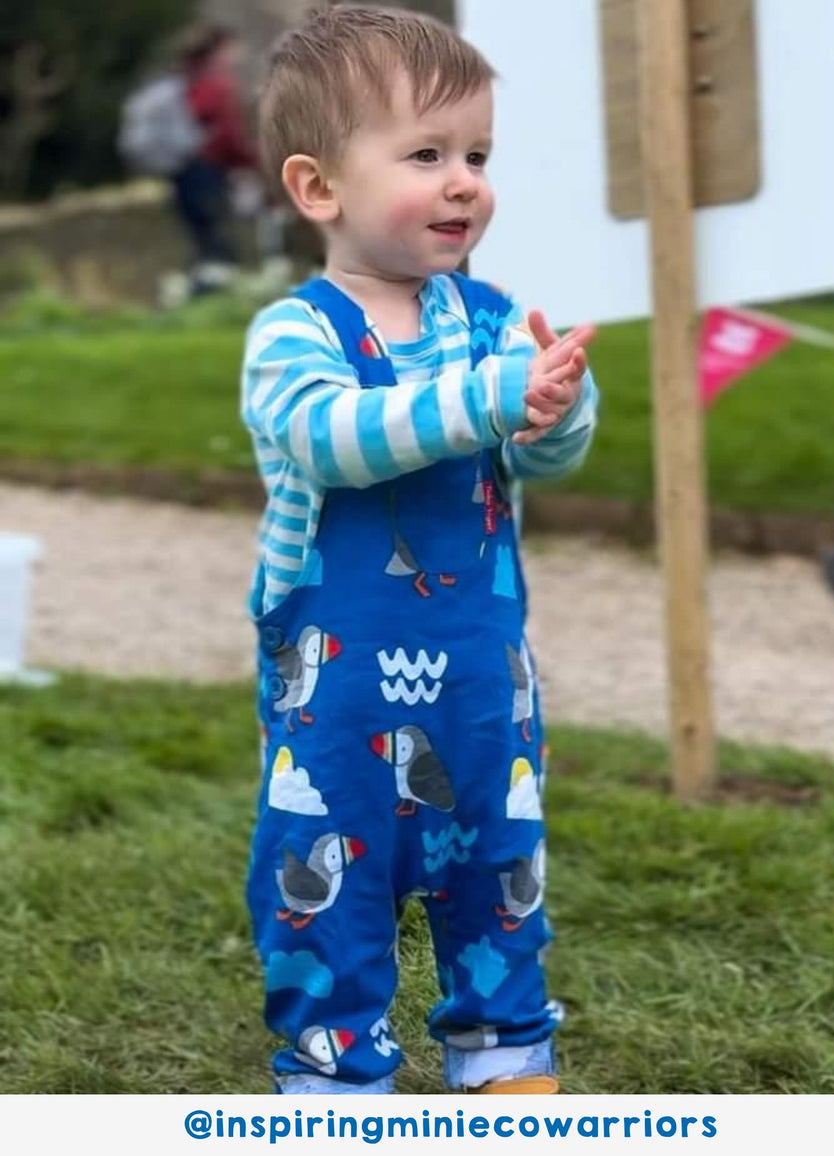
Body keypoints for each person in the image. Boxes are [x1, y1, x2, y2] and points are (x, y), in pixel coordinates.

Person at [240, 3, 599, 1096]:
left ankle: (503, 1051)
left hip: (485, 681)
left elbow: (536, 463)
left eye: (478, 155)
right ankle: (335, 1065)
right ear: (319, 188)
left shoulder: (489, 317)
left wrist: (549, 414)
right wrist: (495, 397)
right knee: (328, 876)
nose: (464, 181)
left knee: (500, 858)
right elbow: (333, 439)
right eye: (428, 154)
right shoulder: (296, 332)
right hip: (338, 693)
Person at [173, 23, 258, 294]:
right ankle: (213, 295)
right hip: (209, 169)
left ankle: (201, 292)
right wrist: (252, 159)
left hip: (183, 168)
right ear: (220, 50)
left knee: (200, 236)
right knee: (216, 236)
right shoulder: (217, 86)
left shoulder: (186, 81)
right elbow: (227, 135)